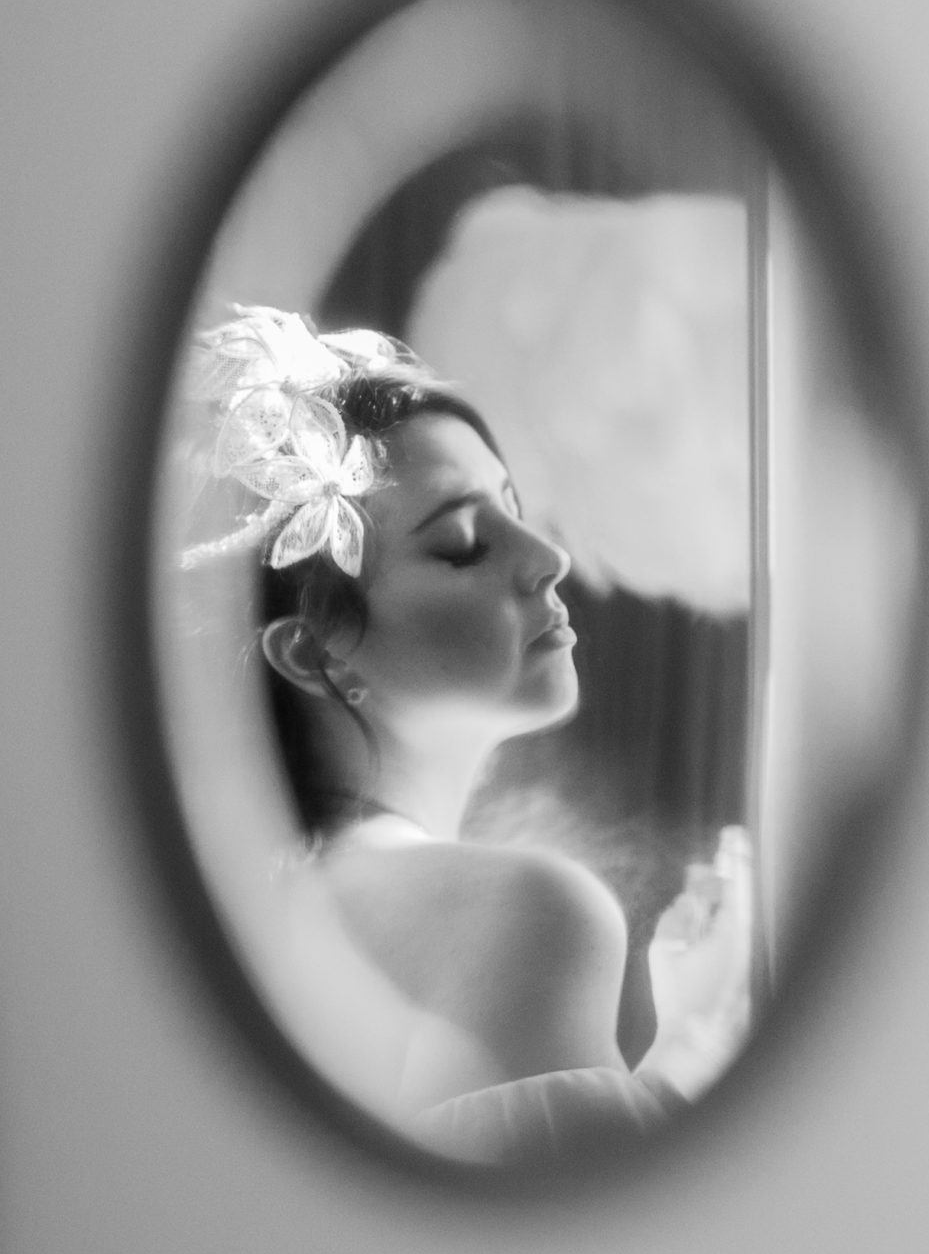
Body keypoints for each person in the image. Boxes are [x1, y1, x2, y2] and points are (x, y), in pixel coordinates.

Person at [183, 304, 750, 1160]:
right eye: (463, 544)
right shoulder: (524, 912)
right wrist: (693, 1069)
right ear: (312, 652)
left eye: (514, 507)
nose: (548, 558)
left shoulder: (240, 926)